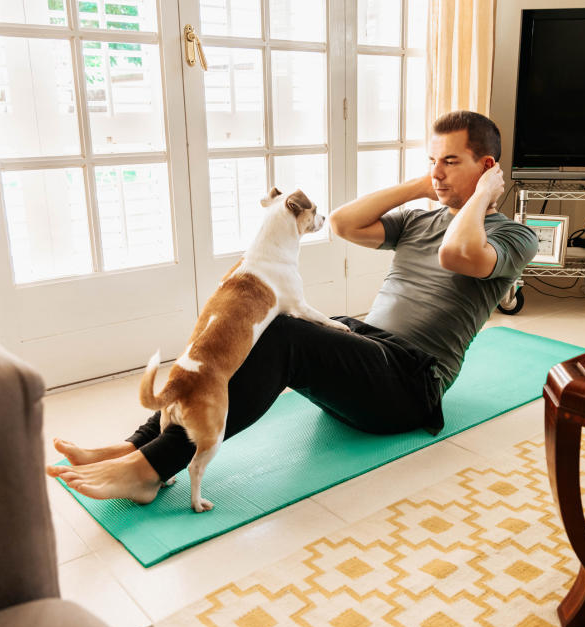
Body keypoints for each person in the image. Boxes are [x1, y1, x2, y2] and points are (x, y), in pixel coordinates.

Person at [47, 110, 538, 504]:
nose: (437, 172)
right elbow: (343, 223)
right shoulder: (418, 220)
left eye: (450, 162)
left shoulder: (515, 236)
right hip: (366, 347)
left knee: (287, 335)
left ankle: (150, 469)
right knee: (268, 323)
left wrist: (483, 197)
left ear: (488, 166)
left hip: (411, 383)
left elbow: (459, 254)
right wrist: (424, 184)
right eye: (433, 160)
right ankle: (139, 444)